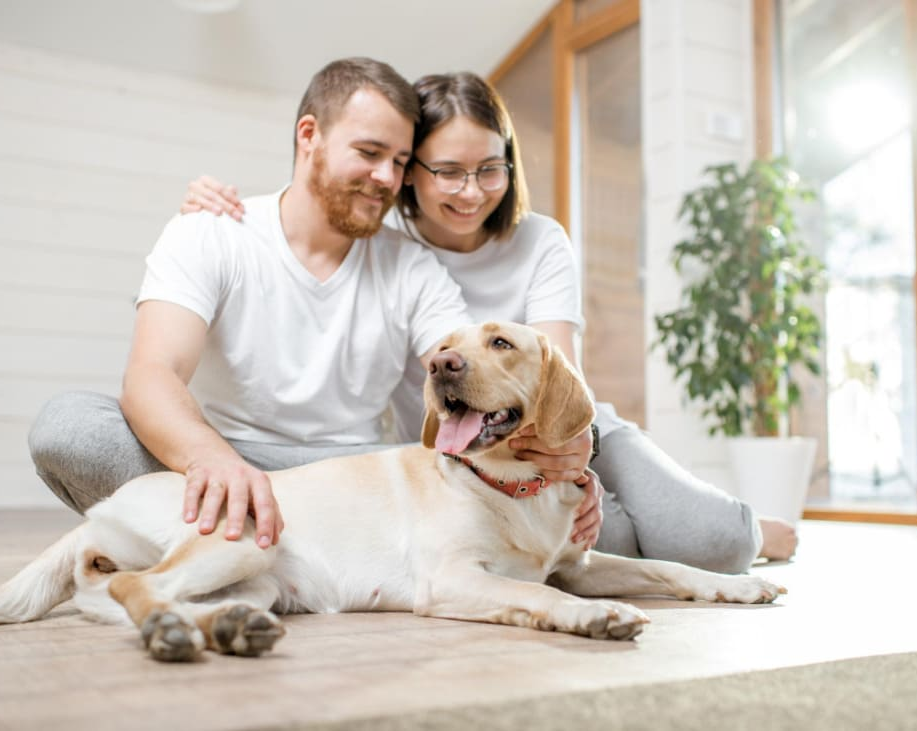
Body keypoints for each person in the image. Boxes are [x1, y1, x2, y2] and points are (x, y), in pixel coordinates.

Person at [181, 72, 797, 571]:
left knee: (715, 544)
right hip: (468, 452)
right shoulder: (384, 242)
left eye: (490, 168)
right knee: (579, 552)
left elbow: (557, 373)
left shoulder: (540, 242)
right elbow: (314, 206)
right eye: (446, 170)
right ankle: (650, 529)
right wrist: (213, 204)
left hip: (568, 426)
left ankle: (748, 526)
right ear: (409, 172)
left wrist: (575, 465)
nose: (471, 192)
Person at [28, 57, 599, 554]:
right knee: (71, 427)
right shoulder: (212, 231)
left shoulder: (411, 264)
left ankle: (244, 547)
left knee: (526, 512)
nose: (385, 177)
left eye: (400, 161)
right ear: (309, 135)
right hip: (236, 460)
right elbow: (152, 374)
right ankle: (269, 538)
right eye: (370, 153)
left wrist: (547, 466)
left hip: (360, 477)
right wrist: (215, 462)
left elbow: (470, 370)